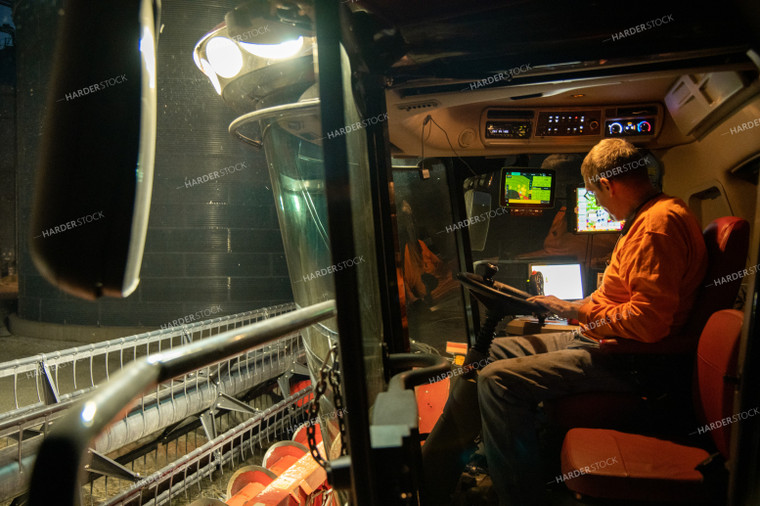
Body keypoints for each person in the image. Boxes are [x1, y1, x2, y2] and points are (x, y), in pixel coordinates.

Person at [422, 138, 707, 505]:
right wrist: (568, 305)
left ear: (607, 184)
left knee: (495, 382)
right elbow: (620, 300)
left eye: (595, 194)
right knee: (495, 349)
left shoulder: (656, 227)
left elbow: (648, 321)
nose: (599, 204)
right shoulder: (652, 215)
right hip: (604, 339)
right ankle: (477, 455)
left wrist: (573, 312)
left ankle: (518, 495)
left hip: (629, 359)